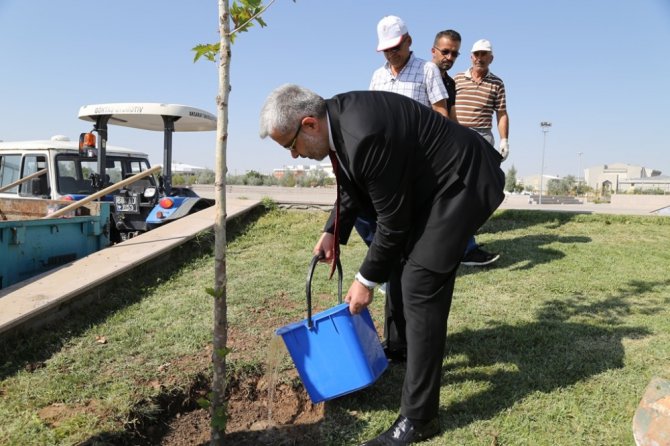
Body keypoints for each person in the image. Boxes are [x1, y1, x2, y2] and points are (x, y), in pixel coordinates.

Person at [259, 84, 505, 445]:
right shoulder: (337, 121)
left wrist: (364, 280)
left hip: (461, 182)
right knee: (400, 265)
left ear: (309, 124)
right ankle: (402, 349)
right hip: (430, 185)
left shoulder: (363, 133)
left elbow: (393, 223)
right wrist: (333, 230)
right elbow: (351, 183)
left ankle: (420, 419)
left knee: (421, 283)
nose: (294, 156)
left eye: (290, 145)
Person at [366, 16, 450, 362]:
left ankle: (419, 339)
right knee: (393, 257)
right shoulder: (378, 77)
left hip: (420, 173)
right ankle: (397, 343)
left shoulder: (427, 71)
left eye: (396, 48)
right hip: (388, 177)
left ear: (409, 41)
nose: (392, 56)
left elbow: (442, 115)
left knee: (415, 258)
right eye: (386, 51)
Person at [432, 30, 500, 267]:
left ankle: (465, 249)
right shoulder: (431, 75)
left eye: (454, 53)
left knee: (464, 195)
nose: (449, 56)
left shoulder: (450, 82)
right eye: (445, 51)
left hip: (460, 141)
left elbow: (449, 117)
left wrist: (503, 140)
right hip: (426, 148)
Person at [454, 38, 509, 160]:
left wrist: (504, 140)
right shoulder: (457, 79)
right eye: (476, 54)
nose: (479, 58)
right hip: (458, 132)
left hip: (483, 136)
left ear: (491, 58)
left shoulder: (497, 83)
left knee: (479, 175)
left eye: (483, 54)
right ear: (471, 57)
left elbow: (501, 113)